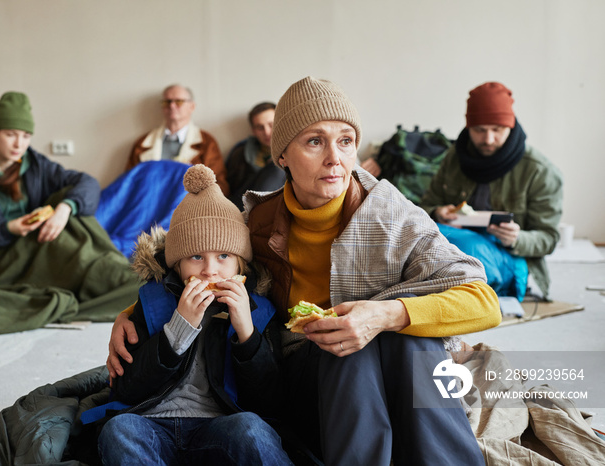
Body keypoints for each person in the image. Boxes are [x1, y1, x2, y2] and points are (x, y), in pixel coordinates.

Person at [108, 77, 502, 465]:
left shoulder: (391, 214)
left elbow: (485, 302)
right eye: (315, 141)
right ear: (282, 156)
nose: (336, 158)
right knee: (346, 345)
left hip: (386, 356)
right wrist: (131, 313)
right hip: (306, 374)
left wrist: (387, 314)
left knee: (411, 338)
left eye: (346, 141)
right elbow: (197, 257)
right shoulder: (257, 222)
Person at [97, 164, 292, 465]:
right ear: (177, 265)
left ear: (241, 264)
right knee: (118, 430)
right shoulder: (151, 301)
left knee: (253, 429)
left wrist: (247, 334)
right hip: (153, 423)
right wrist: (177, 329)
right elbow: (127, 387)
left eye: (224, 256)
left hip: (219, 425)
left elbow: (270, 401)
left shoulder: (260, 310)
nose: (210, 269)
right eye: (196, 257)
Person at [0, 91, 101, 292]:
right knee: (85, 267)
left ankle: (111, 273)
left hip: (38, 244)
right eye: (10, 134)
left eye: (26, 136)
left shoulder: (35, 165)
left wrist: (65, 209)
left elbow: (88, 183)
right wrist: (8, 228)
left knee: (72, 204)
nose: (19, 144)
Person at [420, 82, 563, 299]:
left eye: (497, 130)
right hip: (454, 242)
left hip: (508, 254)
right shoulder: (455, 157)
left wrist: (516, 238)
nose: (488, 139)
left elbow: (549, 238)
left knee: (465, 249)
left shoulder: (539, 171)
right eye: (479, 130)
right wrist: (437, 212)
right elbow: (424, 207)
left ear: (511, 126)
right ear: (468, 128)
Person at [125, 84, 229, 195]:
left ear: (192, 106)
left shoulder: (206, 142)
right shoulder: (142, 143)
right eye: (167, 102)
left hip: (190, 209)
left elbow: (220, 187)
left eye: (178, 102)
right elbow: (127, 184)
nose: (172, 106)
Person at [225, 102, 286, 209]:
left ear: (281, 123)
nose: (267, 132)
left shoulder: (296, 151)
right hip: (242, 207)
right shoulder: (240, 154)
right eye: (260, 127)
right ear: (253, 131)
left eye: (271, 125)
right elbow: (232, 192)